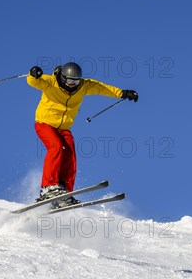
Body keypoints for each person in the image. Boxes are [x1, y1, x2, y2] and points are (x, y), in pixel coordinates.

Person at [27, 62, 138, 208]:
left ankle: (64, 192)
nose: (72, 84)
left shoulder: (83, 86)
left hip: (64, 128)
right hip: (45, 123)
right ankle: (48, 187)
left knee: (70, 157)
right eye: (69, 80)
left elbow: (102, 88)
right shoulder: (51, 82)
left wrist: (122, 93)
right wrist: (34, 74)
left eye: (76, 81)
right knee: (56, 147)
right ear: (62, 77)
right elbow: (34, 81)